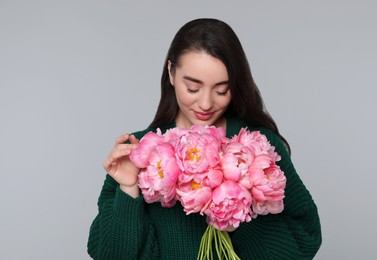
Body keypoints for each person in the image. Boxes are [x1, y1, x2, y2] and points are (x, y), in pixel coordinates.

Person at [87, 18, 322, 259]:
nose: (206, 104)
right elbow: (108, 254)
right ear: (171, 73)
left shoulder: (257, 148)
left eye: (222, 90)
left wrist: (236, 216)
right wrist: (128, 189)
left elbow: (306, 239)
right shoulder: (140, 153)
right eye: (192, 88)